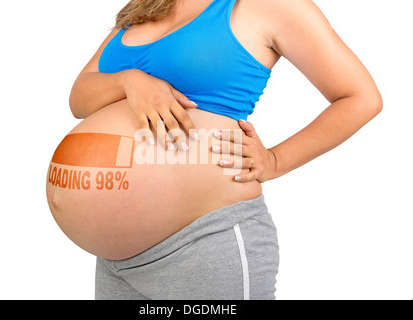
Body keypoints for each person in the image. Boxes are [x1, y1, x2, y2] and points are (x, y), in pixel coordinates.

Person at [59, 0, 382, 300]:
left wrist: (275, 160)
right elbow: (79, 98)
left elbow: (360, 98)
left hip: (206, 240)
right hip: (116, 259)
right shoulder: (147, 6)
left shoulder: (270, 5)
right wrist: (130, 81)